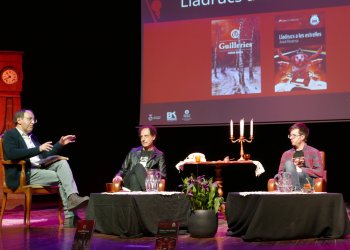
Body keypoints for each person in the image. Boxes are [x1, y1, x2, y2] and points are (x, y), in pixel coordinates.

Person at [2, 109, 89, 228]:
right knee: (62, 178)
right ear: (19, 120)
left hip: (39, 168)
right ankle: (70, 217)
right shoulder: (10, 135)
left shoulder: (32, 137)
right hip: (24, 173)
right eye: (30, 119)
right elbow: (11, 154)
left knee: (62, 163)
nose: (33, 122)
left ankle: (72, 197)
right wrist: (38, 149)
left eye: (34, 119)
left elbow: (43, 156)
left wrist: (60, 144)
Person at [113, 125, 167, 191]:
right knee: (138, 166)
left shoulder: (159, 155)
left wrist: (151, 173)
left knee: (134, 178)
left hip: (144, 182)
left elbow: (163, 175)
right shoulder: (133, 152)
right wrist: (118, 175)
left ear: (153, 137)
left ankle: (140, 198)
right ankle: (148, 193)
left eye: (146, 136)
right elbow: (123, 170)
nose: (143, 139)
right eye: (141, 136)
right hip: (128, 181)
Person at [277, 122, 323, 191]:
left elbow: (319, 172)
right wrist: (292, 172)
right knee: (289, 164)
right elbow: (280, 172)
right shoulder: (286, 154)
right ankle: (296, 190)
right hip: (289, 180)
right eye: (290, 135)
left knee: (295, 172)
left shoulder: (313, 152)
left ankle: (295, 190)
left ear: (302, 137)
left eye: (294, 135)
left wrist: (301, 170)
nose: (291, 138)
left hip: (305, 180)